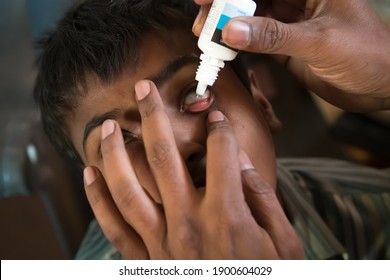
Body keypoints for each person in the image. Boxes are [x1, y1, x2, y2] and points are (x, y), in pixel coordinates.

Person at [33, 0, 390, 259]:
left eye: (193, 92)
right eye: (121, 140)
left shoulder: (376, 210)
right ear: (102, 198)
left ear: (263, 105)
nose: (175, 147)